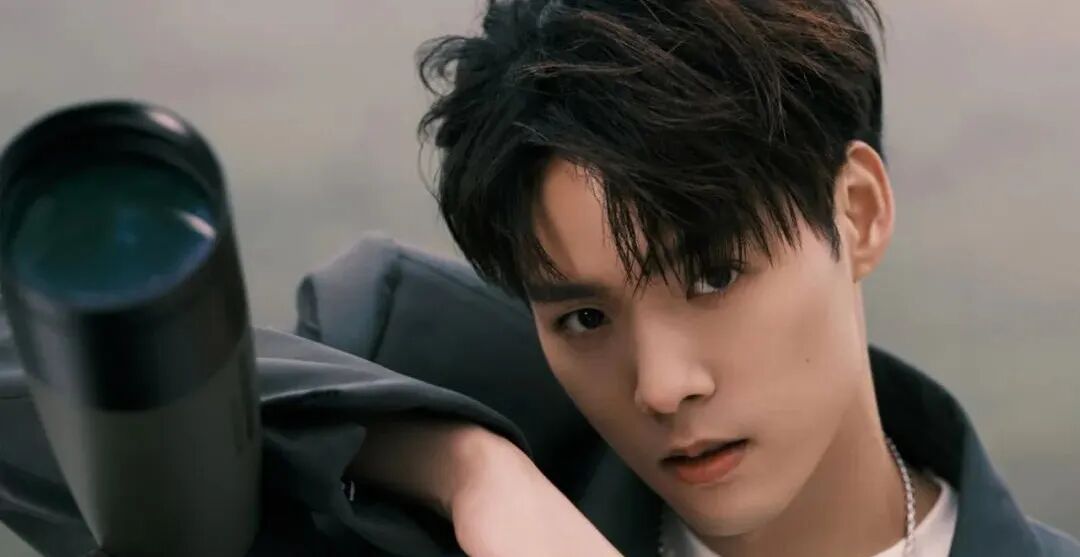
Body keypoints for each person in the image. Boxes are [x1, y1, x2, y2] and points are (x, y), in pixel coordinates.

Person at [1, 1, 1078, 557]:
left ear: (858, 212)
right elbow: (29, 392)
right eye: (584, 315)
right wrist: (467, 468)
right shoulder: (447, 497)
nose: (660, 384)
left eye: (713, 274)